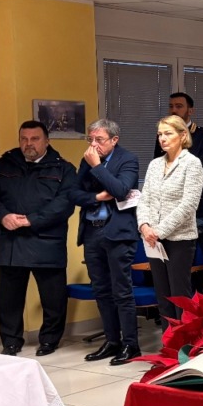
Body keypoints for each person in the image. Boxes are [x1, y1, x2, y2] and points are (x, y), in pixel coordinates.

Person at [0, 121, 76, 356]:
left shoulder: (64, 169)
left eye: (35, 139)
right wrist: (3, 216)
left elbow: (65, 203)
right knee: (8, 299)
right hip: (10, 242)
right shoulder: (4, 164)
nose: (28, 144)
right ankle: (11, 342)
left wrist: (33, 220)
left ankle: (49, 340)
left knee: (53, 298)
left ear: (47, 141)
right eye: (24, 139)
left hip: (47, 241)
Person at [70, 119, 142, 365]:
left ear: (114, 140)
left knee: (121, 291)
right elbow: (73, 194)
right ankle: (112, 341)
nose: (93, 145)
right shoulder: (87, 159)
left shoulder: (128, 159)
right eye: (90, 139)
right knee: (101, 290)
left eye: (99, 140)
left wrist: (97, 166)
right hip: (92, 231)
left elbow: (120, 190)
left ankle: (130, 344)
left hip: (118, 233)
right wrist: (98, 197)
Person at [138, 115, 203, 322]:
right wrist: (144, 226)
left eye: (168, 133)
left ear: (182, 135)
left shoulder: (192, 163)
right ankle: (168, 339)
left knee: (179, 296)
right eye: (160, 134)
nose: (162, 138)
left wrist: (159, 231)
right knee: (163, 296)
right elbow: (144, 199)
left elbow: (188, 205)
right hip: (153, 240)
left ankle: (185, 340)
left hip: (179, 240)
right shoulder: (155, 165)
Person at [153, 92, 203, 221]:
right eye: (171, 106)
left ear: (190, 111)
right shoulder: (163, 135)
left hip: (193, 204)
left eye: (179, 106)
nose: (174, 110)